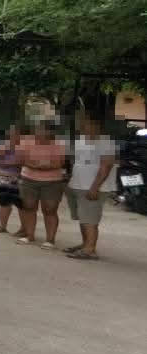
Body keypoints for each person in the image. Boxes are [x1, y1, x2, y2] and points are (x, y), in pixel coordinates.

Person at [65, 111, 117, 261]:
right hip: (78, 185)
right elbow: (76, 162)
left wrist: (95, 187)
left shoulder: (106, 142)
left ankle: (90, 249)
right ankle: (85, 244)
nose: (82, 126)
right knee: (83, 218)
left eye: (85, 123)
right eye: (81, 123)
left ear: (96, 125)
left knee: (90, 219)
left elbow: (106, 166)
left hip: (92, 188)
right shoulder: (81, 140)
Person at [15, 118, 67, 248]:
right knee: (29, 207)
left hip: (52, 181)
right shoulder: (26, 141)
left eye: (45, 130)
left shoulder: (59, 143)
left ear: (51, 132)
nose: (41, 133)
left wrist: (44, 166)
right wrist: (33, 165)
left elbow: (60, 162)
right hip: (29, 179)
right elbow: (20, 159)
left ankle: (50, 240)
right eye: (39, 130)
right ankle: (29, 235)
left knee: (50, 209)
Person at [0, 125, 23, 234]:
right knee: (4, 203)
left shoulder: (24, 146)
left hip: (19, 180)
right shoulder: (3, 145)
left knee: (22, 205)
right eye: (11, 133)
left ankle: (24, 228)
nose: (14, 136)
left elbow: (23, 162)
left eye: (16, 133)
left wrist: (6, 162)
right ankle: (2, 226)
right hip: (2, 179)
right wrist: (6, 148)